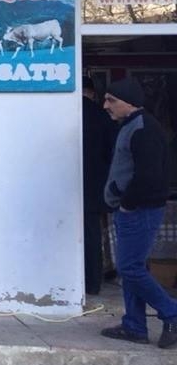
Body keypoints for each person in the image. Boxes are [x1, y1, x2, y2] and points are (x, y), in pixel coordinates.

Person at [101, 77, 177, 349]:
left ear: (129, 103)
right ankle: (134, 326)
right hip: (132, 210)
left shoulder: (143, 129)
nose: (106, 105)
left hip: (139, 211)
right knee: (132, 267)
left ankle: (171, 312)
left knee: (130, 268)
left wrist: (128, 202)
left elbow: (149, 175)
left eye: (112, 100)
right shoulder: (130, 125)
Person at [81, 76, 116, 295]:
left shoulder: (59, 111)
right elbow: (113, 153)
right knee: (92, 235)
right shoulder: (102, 117)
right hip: (94, 185)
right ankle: (92, 283)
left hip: (61, 184)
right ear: (92, 93)